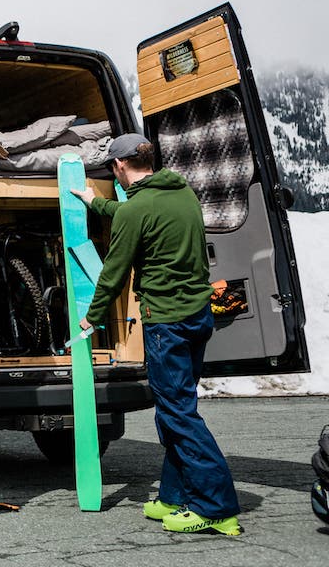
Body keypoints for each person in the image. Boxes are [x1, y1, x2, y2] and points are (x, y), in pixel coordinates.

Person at [73, 133, 242, 536]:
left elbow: (114, 270)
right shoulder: (181, 191)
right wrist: (94, 203)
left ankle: (215, 507)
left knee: (178, 415)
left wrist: (91, 317)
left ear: (118, 167)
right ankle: (172, 496)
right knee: (177, 408)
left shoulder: (136, 212)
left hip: (166, 325)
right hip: (198, 318)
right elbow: (136, 213)